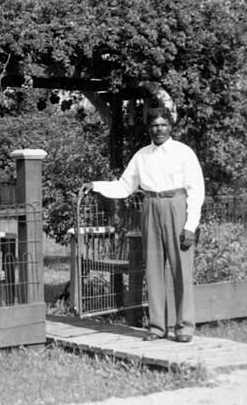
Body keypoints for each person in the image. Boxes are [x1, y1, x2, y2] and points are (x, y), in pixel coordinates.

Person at [81, 108, 204, 342]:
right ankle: (157, 326)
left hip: (176, 206)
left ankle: (184, 327)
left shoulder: (184, 153)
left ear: (171, 127)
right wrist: (95, 185)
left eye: (163, 125)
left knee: (181, 270)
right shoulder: (141, 155)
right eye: (155, 125)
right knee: (153, 269)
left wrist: (190, 225)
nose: (159, 129)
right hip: (150, 206)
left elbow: (197, 190)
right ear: (149, 128)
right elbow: (124, 186)